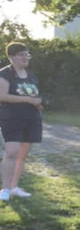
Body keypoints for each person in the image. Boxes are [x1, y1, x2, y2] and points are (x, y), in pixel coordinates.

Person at [0, 42, 43, 202]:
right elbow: (2, 96)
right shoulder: (5, 74)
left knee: (22, 155)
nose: (25, 57)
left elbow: (34, 95)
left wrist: (39, 102)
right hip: (11, 118)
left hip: (31, 118)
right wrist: (28, 100)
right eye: (21, 54)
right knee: (12, 152)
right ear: (11, 56)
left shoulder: (30, 75)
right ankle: (4, 189)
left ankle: (14, 187)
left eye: (27, 54)